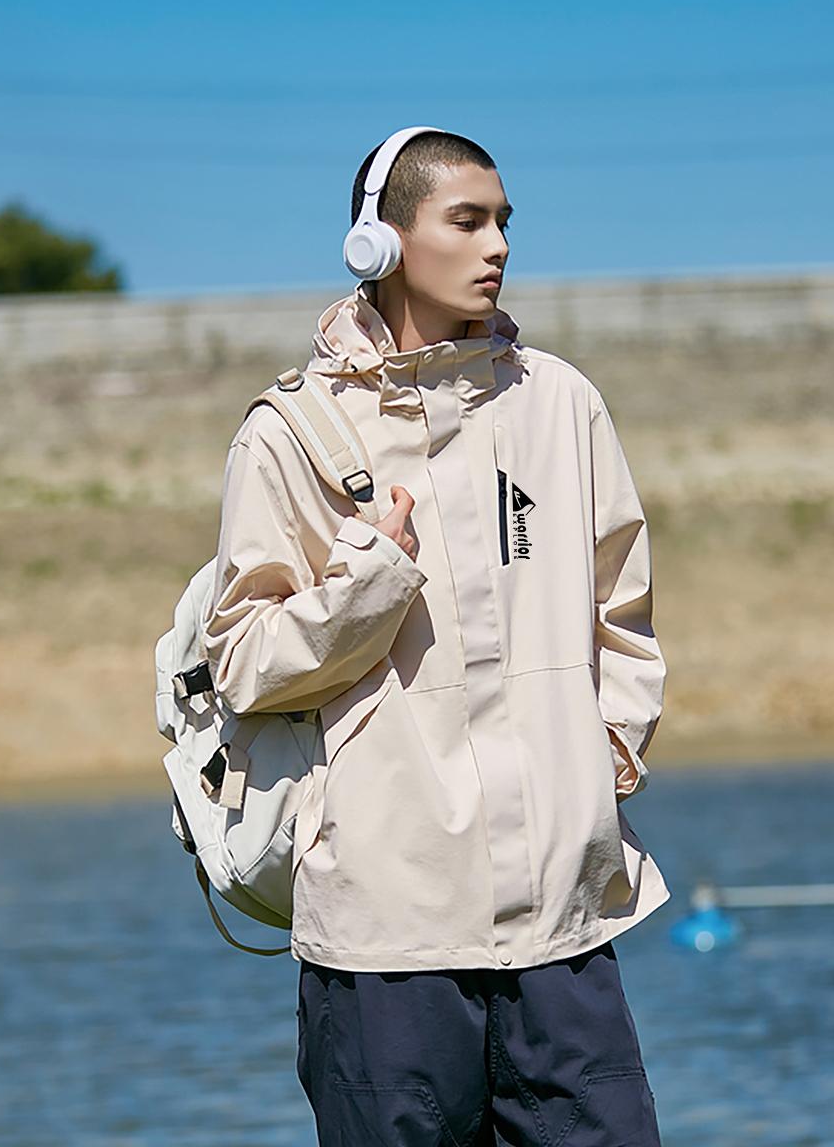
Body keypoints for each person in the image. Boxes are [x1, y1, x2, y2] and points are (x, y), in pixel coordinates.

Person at [204, 128, 669, 1145]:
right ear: (380, 242)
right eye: (467, 220)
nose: (497, 244)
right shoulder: (288, 433)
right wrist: (371, 577)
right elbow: (243, 664)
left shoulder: (562, 403)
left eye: (504, 221)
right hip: (385, 945)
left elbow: (623, 621)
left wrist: (601, 771)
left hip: (561, 930)